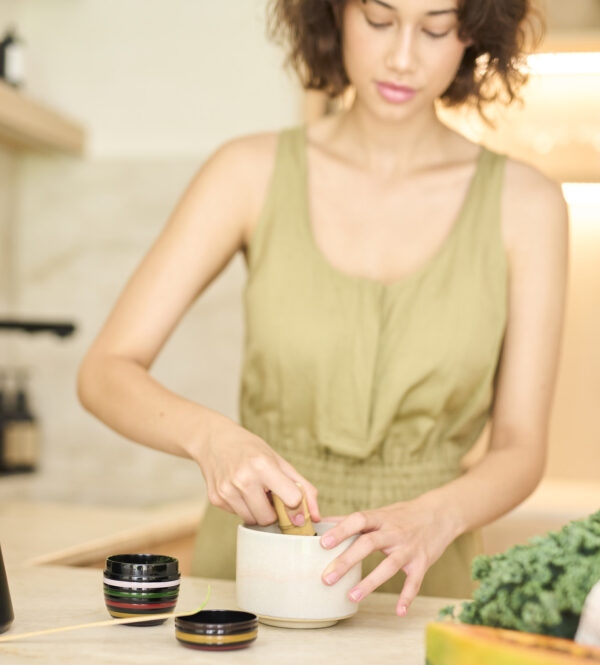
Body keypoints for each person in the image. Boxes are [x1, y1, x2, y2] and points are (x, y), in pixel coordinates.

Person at [77, 0, 568, 617]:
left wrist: (437, 515)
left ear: (474, 32)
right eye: (379, 20)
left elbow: (520, 447)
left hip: (423, 578)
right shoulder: (246, 172)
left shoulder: (529, 205)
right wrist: (213, 439)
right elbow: (105, 370)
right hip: (253, 562)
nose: (402, 57)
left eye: (435, 28)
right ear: (333, 13)